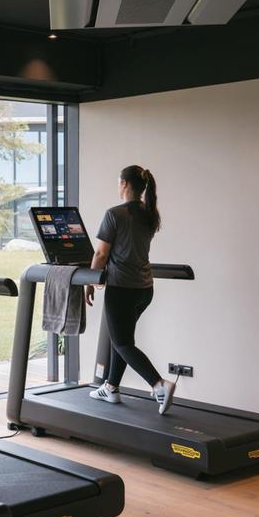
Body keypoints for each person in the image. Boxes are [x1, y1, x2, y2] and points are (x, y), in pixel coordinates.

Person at [84, 165, 177, 414]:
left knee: (123, 342)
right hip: (144, 289)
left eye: (118, 182)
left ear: (124, 184)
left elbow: (101, 253)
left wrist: (91, 281)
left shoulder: (114, 214)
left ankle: (159, 384)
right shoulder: (149, 213)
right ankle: (111, 387)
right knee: (121, 338)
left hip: (122, 288)